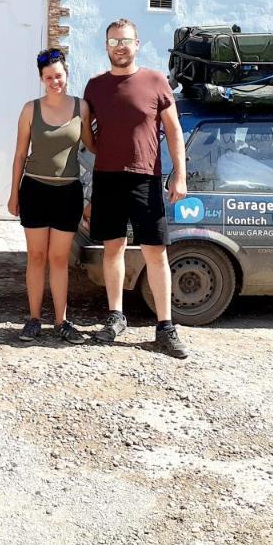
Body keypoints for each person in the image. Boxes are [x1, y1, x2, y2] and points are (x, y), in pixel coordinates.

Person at [83, 18, 190, 358]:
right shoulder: (95, 87)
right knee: (112, 248)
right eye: (114, 41)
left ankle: (166, 327)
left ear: (137, 44)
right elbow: (89, 133)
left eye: (126, 40)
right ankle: (115, 317)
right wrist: (107, 152)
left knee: (155, 252)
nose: (120, 46)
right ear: (106, 46)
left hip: (145, 178)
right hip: (107, 178)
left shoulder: (156, 81)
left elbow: (173, 132)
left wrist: (180, 176)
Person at [7, 48, 92, 344]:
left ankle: (61, 321)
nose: (54, 81)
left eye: (58, 76)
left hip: (68, 192)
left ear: (66, 75)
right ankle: (33, 320)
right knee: (37, 256)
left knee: (58, 259)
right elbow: (19, 154)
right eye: (48, 77)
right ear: (41, 79)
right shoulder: (31, 109)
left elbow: (93, 149)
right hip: (34, 190)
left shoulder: (82, 108)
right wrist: (13, 193)